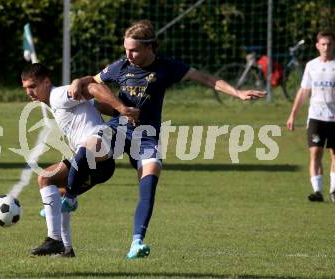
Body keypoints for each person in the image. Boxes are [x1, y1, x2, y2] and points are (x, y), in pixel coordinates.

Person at [67, 19, 266, 259]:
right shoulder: (120, 67)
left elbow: (206, 78)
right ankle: (70, 197)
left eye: (134, 50)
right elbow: (92, 80)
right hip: (118, 129)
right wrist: (78, 81)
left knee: (148, 186)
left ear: (150, 47)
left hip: (147, 136)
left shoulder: (167, 67)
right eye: (126, 49)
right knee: (87, 147)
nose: (128, 54)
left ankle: (136, 243)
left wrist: (237, 92)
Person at [21, 63, 139, 257]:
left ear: (46, 82)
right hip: (97, 166)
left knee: (51, 177)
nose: (29, 92)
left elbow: (93, 87)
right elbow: (93, 99)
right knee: (50, 187)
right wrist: (120, 112)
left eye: (32, 86)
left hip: (97, 150)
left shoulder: (58, 95)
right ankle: (65, 248)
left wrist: (122, 108)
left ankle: (55, 237)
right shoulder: (57, 101)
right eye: (26, 88)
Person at [287, 30, 335, 202]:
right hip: (316, 116)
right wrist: (293, 114)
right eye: (323, 44)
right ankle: (317, 191)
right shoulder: (311, 66)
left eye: (329, 44)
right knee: (315, 152)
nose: (326, 47)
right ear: (317, 46)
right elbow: (304, 91)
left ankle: (334, 189)